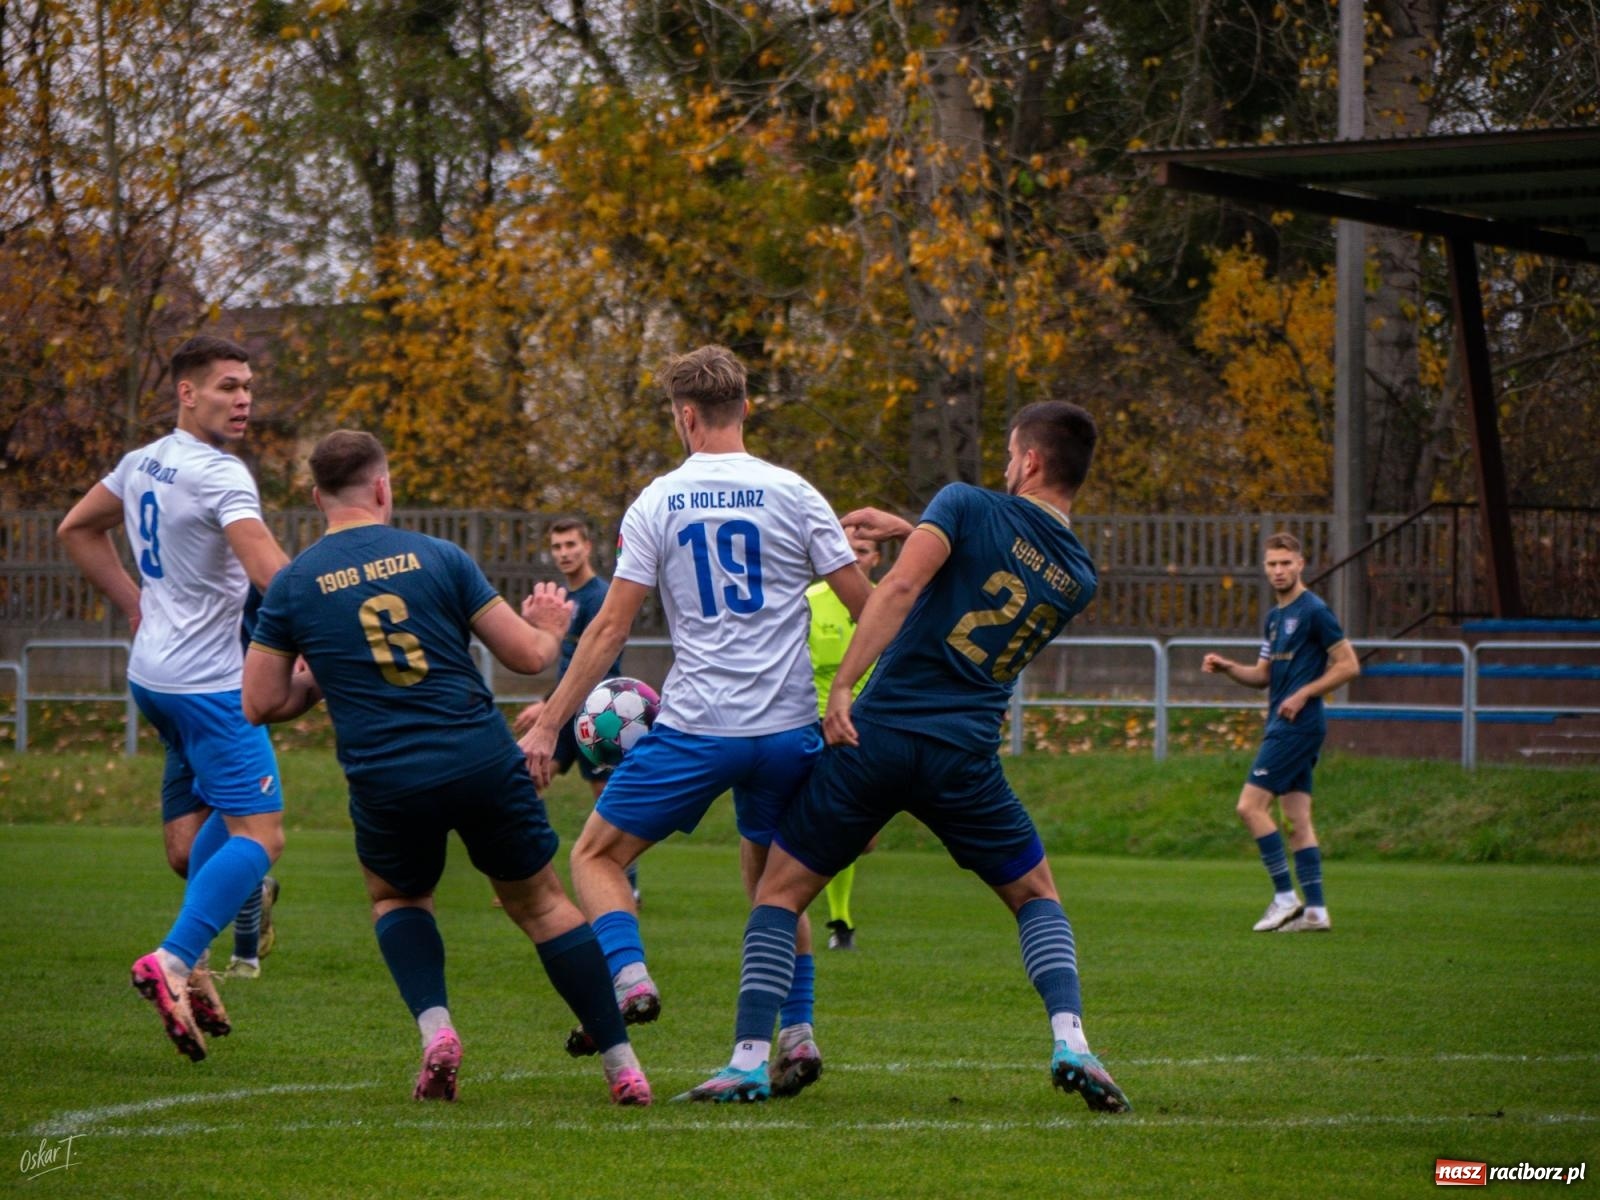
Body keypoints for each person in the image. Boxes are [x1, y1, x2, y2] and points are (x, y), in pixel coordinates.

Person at [678, 400, 1132, 1113]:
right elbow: (991, 567)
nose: (1007, 466)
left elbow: (901, 588)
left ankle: (746, 1060)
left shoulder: (964, 503)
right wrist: (910, 526)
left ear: (1032, 461)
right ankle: (1072, 1040)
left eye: (1012, 453)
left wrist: (845, 688)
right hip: (965, 757)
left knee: (778, 890)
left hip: (879, 739)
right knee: (1037, 895)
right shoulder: (1080, 576)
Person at [240, 430, 652, 1105]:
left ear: (316, 498)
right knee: (544, 905)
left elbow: (258, 702)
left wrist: (320, 681)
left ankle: (437, 1032)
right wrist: (550, 623)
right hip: (479, 757)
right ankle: (622, 1063)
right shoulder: (438, 556)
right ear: (382, 487)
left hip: (386, 775)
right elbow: (526, 657)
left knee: (396, 899)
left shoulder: (293, 585)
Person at [520, 345, 871, 1095]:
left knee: (595, 857)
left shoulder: (657, 501)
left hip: (698, 729)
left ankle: (630, 977)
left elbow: (610, 629)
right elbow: (869, 608)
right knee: (776, 889)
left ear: (685, 416)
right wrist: (849, 696)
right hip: (785, 732)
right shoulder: (797, 492)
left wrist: (550, 721)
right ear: (744, 407)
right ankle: (799, 1034)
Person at [57, 334, 291, 1061]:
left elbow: (76, 527)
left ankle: (201, 952)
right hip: (208, 688)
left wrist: (135, 604)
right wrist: (332, 611)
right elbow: (272, 579)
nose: (243, 397)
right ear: (187, 393)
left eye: (247, 385)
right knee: (262, 835)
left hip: (152, 678)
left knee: (197, 846)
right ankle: (175, 962)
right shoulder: (224, 476)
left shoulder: (142, 461)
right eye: (227, 385)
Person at [1202, 531, 1360, 934]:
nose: (1278, 570)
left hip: (1296, 725)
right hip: (1285, 722)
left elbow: (1348, 665)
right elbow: (1262, 676)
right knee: (1297, 819)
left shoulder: (1314, 611)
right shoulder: (1274, 619)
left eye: (1285, 563)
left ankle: (1286, 897)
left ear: (1300, 564)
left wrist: (1304, 694)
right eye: (1272, 563)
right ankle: (1315, 912)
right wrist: (1227, 667)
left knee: (1249, 807)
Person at [512, 518, 638, 904]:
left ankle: (626, 881)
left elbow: (594, 664)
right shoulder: (567, 597)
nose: (564, 553)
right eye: (557, 546)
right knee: (525, 779)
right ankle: (531, 874)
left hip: (599, 714)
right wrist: (549, 705)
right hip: (565, 712)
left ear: (587, 546)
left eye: (571, 544)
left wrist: (549, 705)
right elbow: (568, 664)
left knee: (608, 797)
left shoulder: (600, 596)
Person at [805, 531, 882, 951]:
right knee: (818, 820)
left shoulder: (885, 604)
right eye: (847, 548)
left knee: (862, 838)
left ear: (876, 559)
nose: (854, 557)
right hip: (813, 724)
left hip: (868, 726)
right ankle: (838, 921)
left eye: (864, 551)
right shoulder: (809, 600)